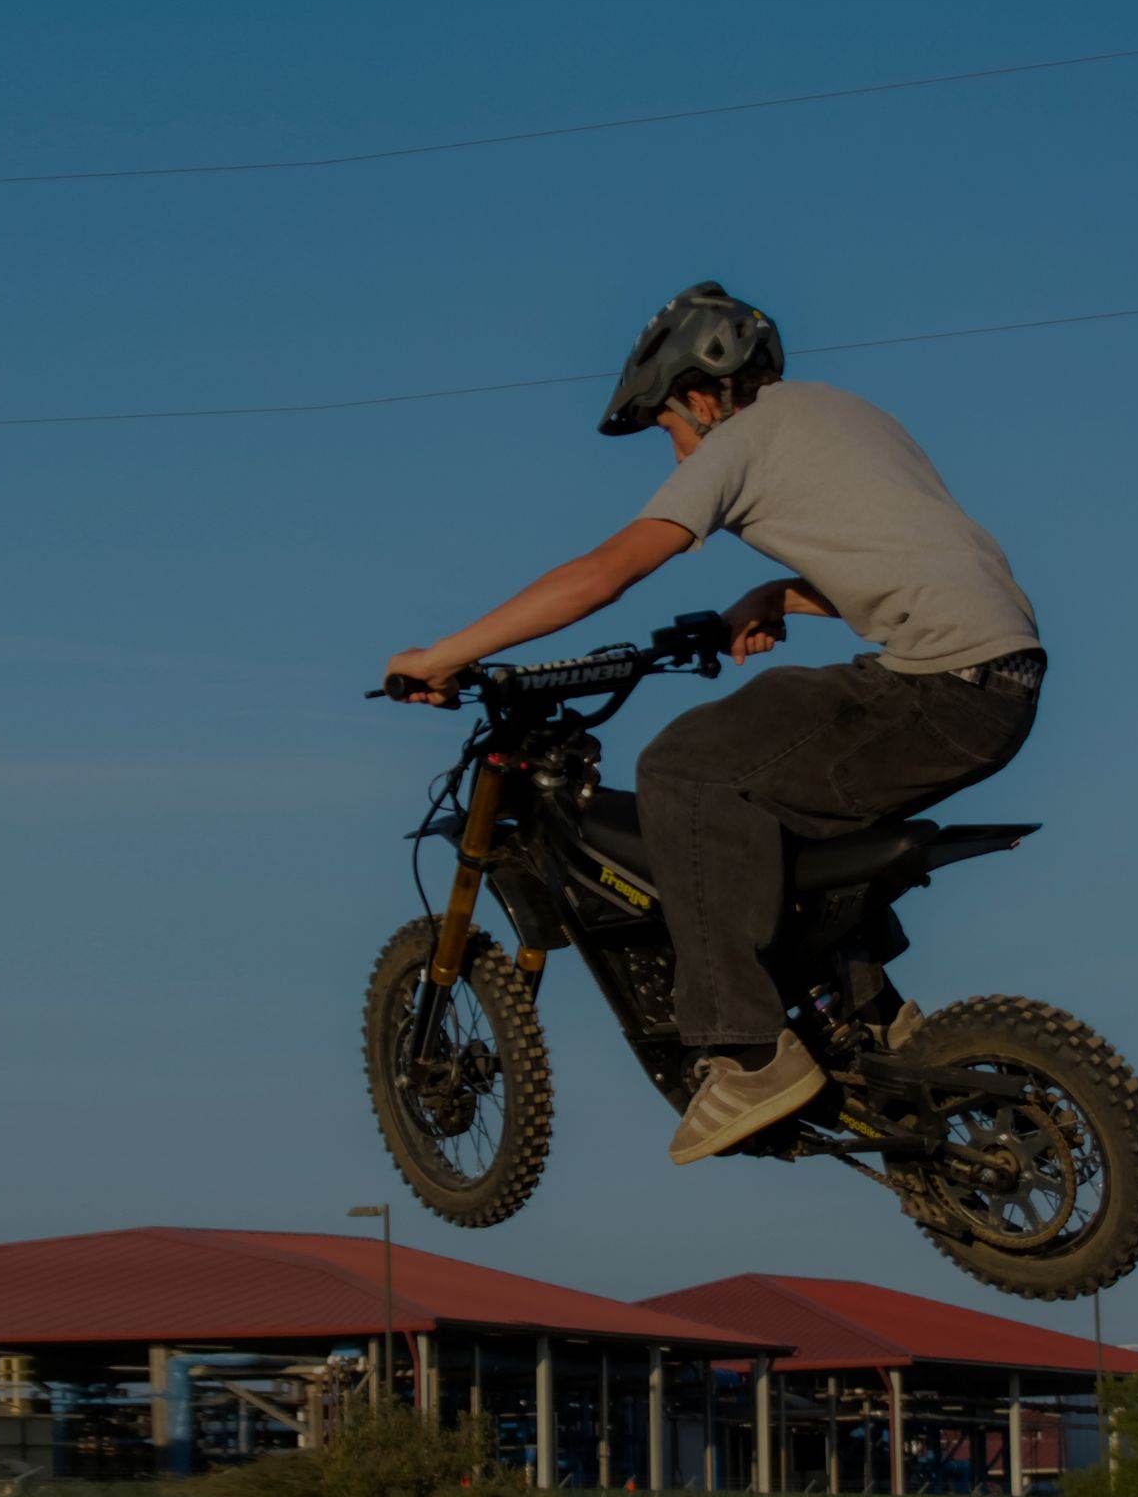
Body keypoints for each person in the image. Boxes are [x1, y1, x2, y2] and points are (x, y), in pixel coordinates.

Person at [384, 281, 1045, 1166]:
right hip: (1000, 678)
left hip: (938, 682)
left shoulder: (740, 440)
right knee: (783, 780)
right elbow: (903, 554)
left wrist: (443, 653)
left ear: (703, 393)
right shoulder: (849, 416)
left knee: (688, 769)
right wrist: (776, 594)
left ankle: (744, 1053)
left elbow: (601, 575)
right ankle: (870, 1013)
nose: (674, 449)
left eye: (667, 427)